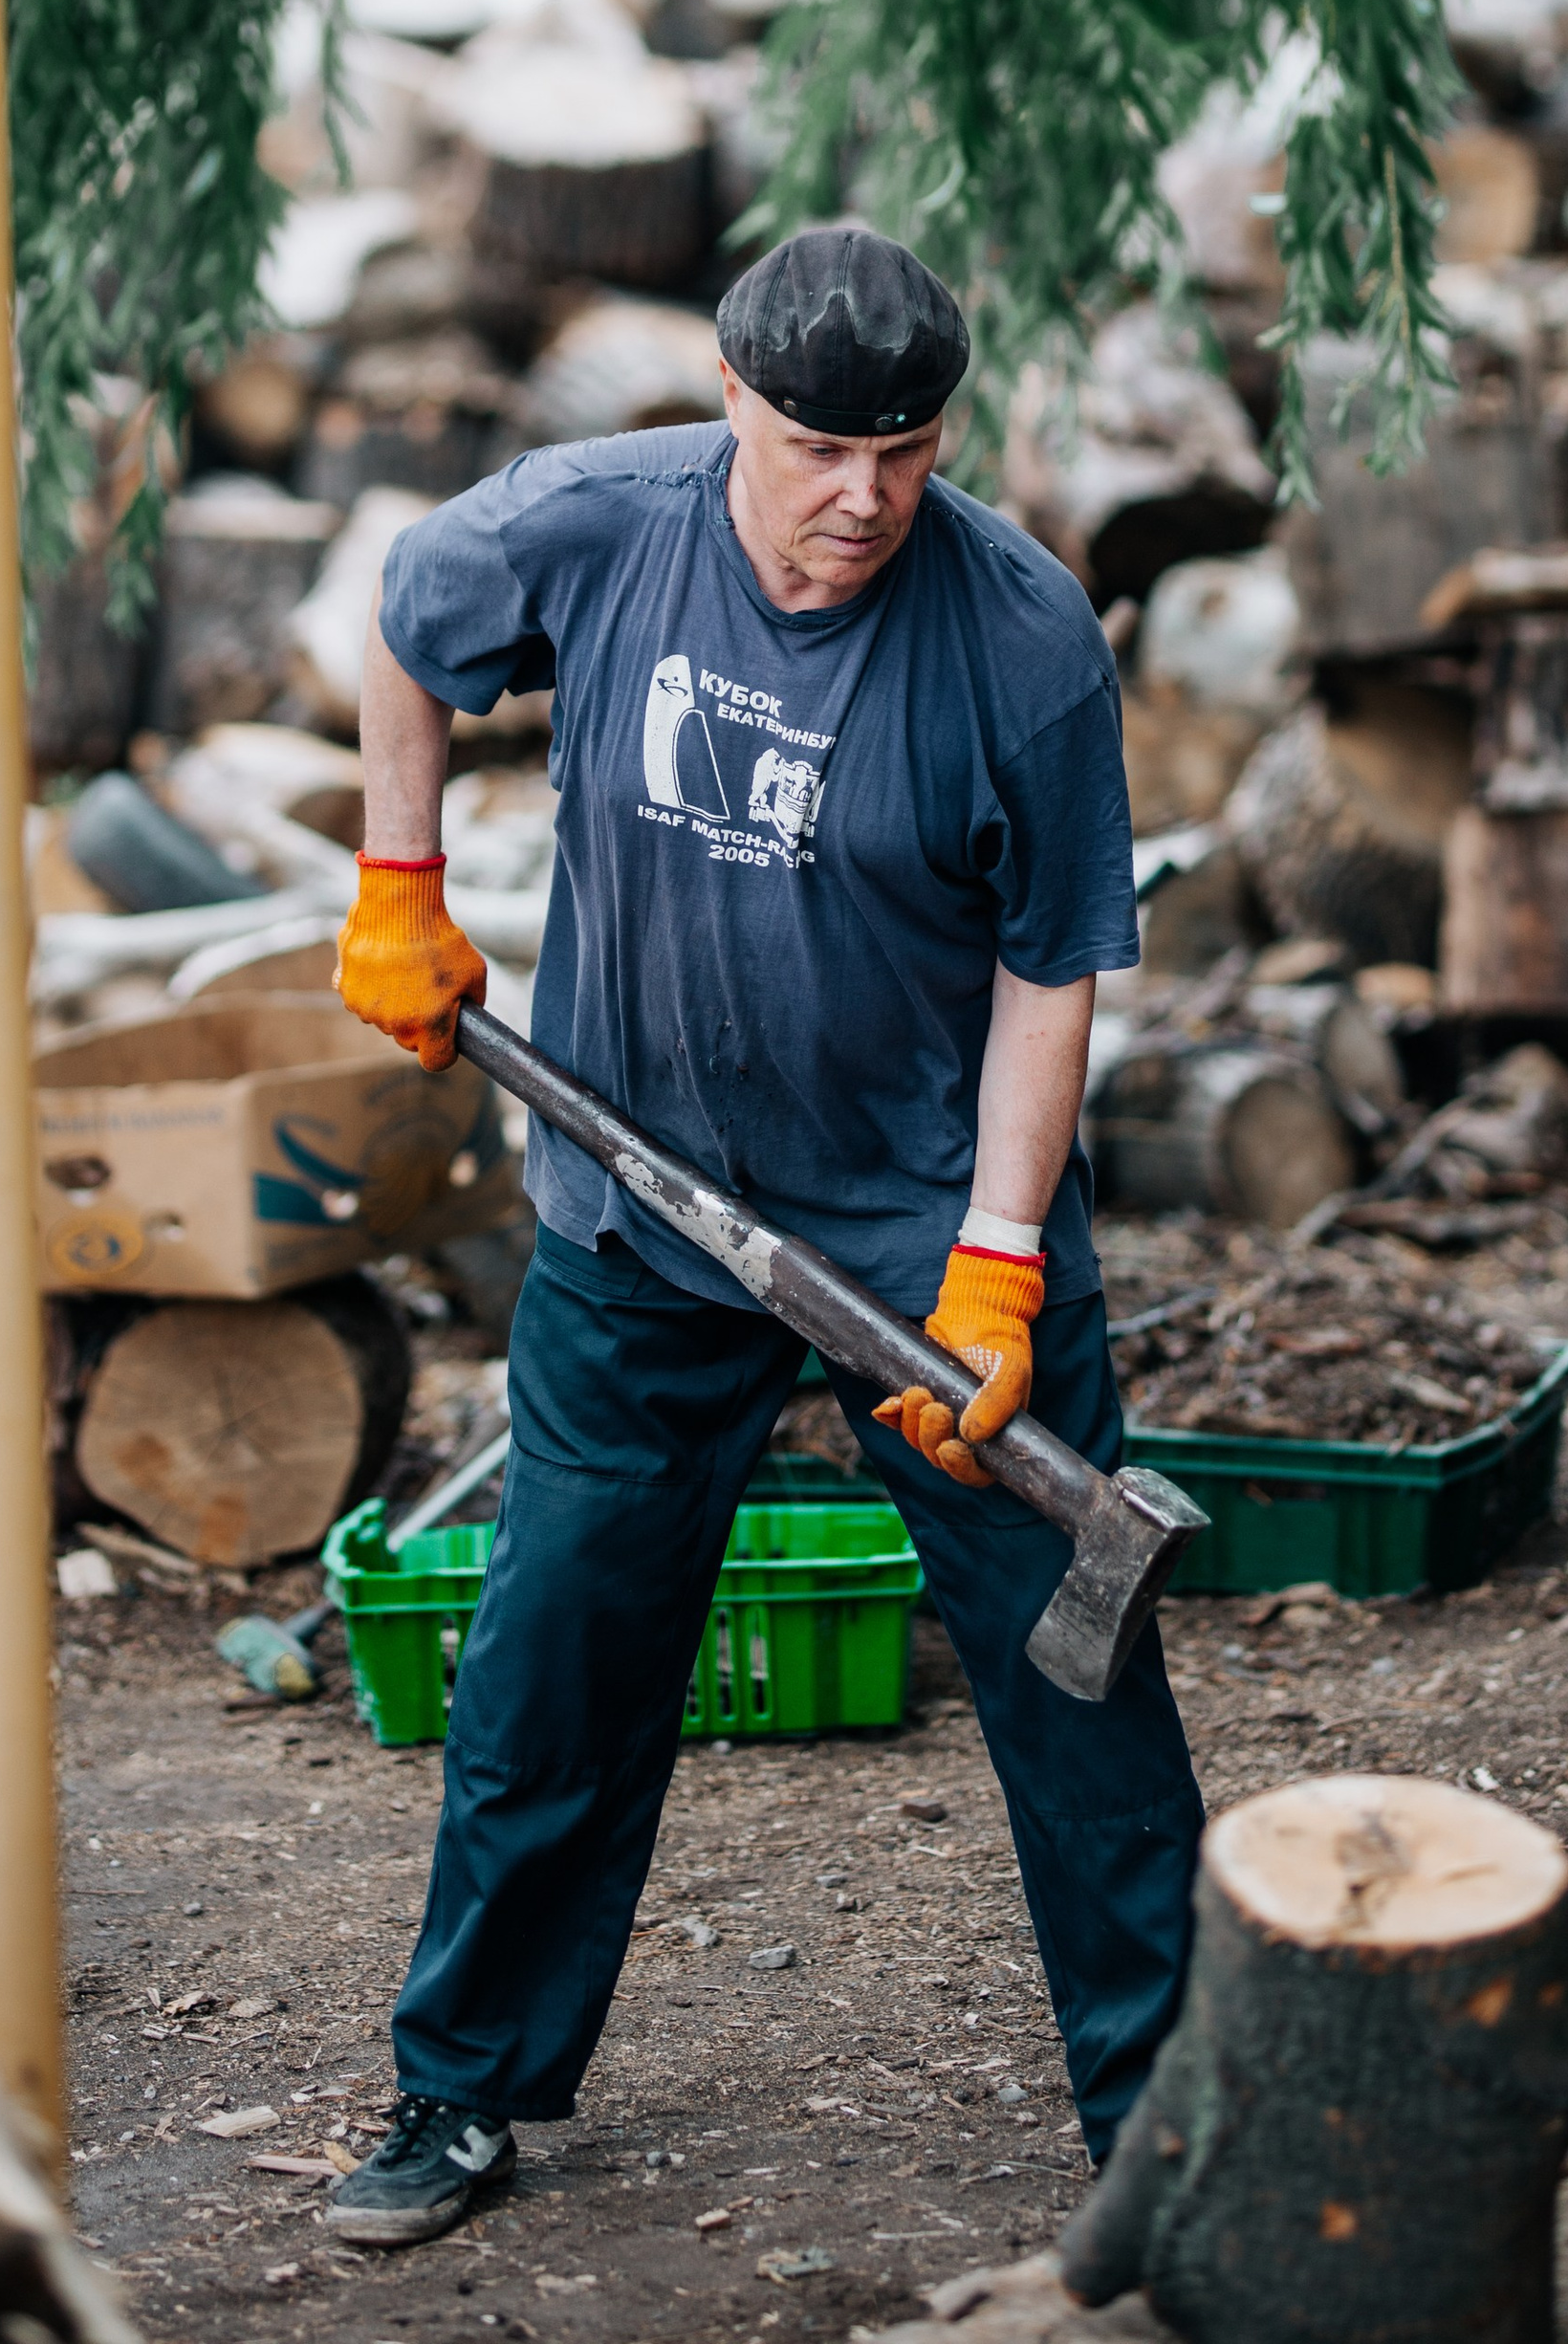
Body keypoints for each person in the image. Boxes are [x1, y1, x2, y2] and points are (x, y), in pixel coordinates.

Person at [322, 226, 1204, 2249]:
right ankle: (461, 2090)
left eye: (903, 452)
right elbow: (406, 622)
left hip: (924, 1251)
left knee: (1077, 1689)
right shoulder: (594, 525)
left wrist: (994, 1258)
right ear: (730, 400)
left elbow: (1052, 972)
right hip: (642, 1211)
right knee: (557, 1654)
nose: (860, 498)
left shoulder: (1019, 638)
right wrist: (395, 874)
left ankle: (1167, 2133)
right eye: (816, 447)